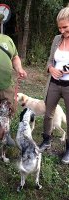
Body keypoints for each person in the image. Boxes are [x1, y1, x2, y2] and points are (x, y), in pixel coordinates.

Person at [39, 5, 69, 164]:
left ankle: (68, 149)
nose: (62, 31)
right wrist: (51, 68)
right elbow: (50, 59)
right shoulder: (57, 39)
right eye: (60, 27)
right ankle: (46, 140)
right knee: (48, 113)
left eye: (65, 27)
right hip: (54, 84)